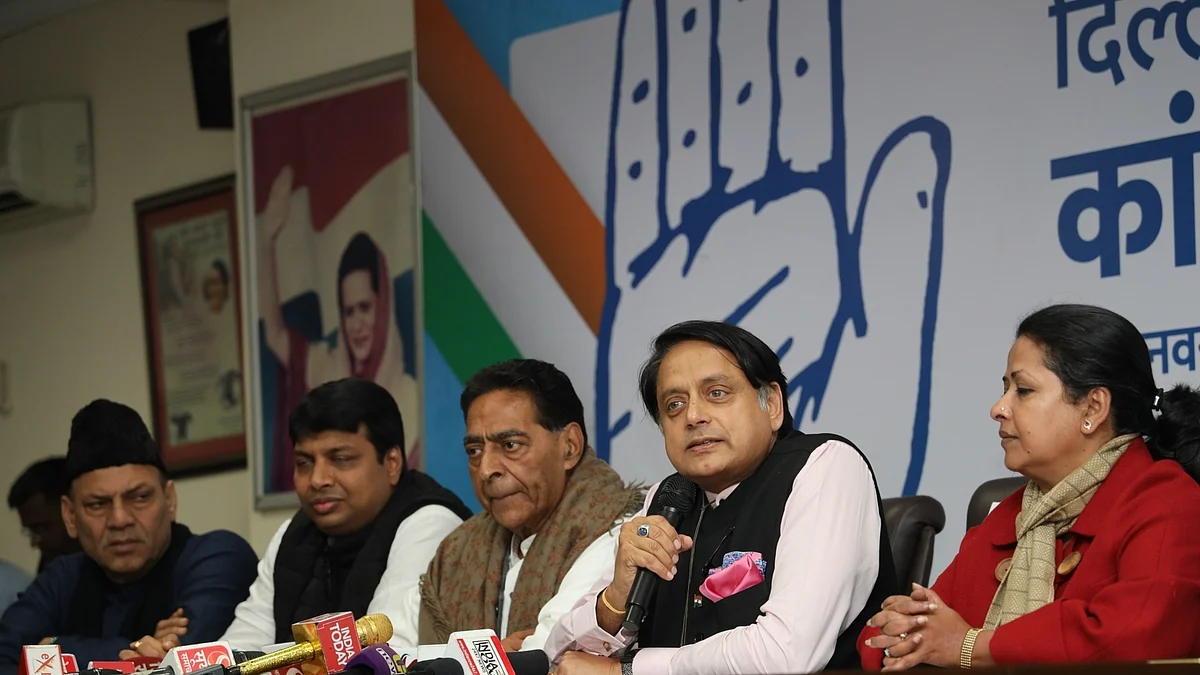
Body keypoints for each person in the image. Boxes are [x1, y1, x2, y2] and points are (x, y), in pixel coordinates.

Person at [860, 304, 1200, 670]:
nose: (998, 408)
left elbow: (1132, 640)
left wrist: (969, 646)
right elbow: (880, 639)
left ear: (1093, 408)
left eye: (1023, 390)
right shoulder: (1013, 515)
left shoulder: (1166, 502)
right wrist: (911, 636)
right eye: (1005, 389)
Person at [546, 320, 896, 675]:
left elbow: (786, 654)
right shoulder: (669, 499)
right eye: (675, 405)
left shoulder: (824, 466)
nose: (694, 416)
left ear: (772, 404)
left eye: (716, 393)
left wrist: (629, 669)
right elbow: (562, 658)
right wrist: (616, 598)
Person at [0, 400, 259, 672]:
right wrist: (136, 649)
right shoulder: (63, 578)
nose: (120, 520)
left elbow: (178, 666)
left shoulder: (218, 558)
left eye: (140, 497)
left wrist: (53, 647)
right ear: (70, 516)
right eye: (98, 504)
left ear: (169, 500)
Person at [221, 378, 472, 651]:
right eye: (304, 463)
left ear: (391, 463)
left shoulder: (429, 522)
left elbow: (387, 653)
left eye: (341, 459)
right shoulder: (293, 534)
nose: (317, 479)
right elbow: (240, 647)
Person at [418, 360, 645, 653]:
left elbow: (550, 651)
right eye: (474, 451)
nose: (486, 469)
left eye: (510, 445)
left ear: (570, 447)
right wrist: (493, 655)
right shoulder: (455, 553)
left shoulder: (618, 529)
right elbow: (404, 658)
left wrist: (470, 660)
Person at [258, 166, 422, 491]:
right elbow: (275, 334)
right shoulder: (327, 366)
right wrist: (265, 242)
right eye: (348, 312)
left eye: (365, 308)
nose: (357, 324)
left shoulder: (406, 391)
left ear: (384, 307)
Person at [7, 457, 80, 573]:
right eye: (32, 532)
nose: (34, 543)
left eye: (41, 528)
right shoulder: (52, 564)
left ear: (71, 511)